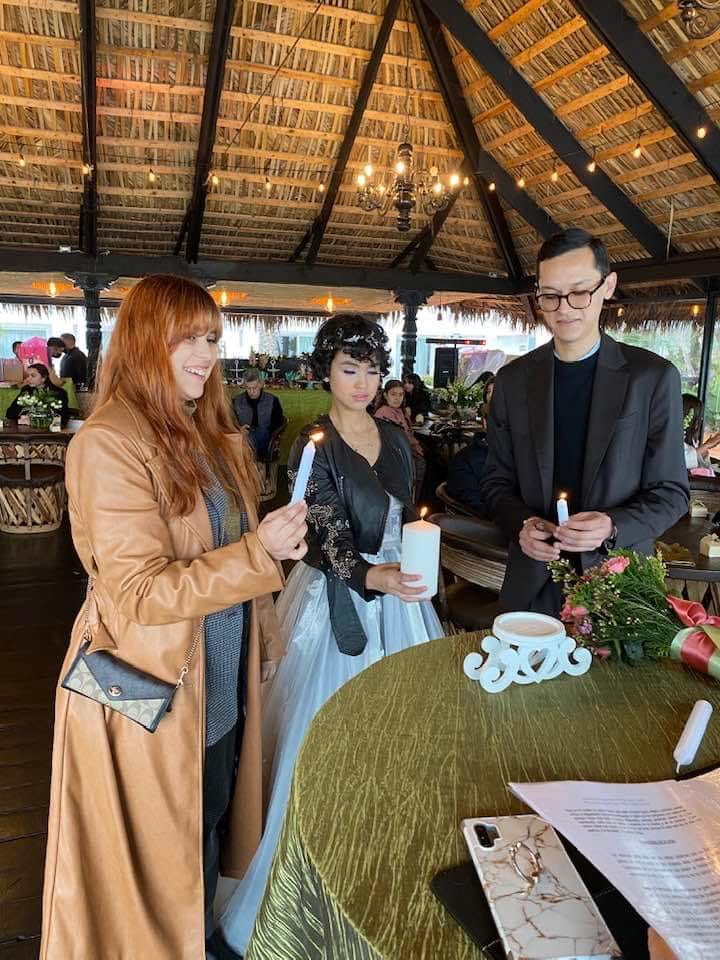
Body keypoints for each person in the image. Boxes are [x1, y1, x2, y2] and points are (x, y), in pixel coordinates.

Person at [40, 275, 309, 960]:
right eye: (186, 336)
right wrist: (260, 552)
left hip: (216, 679)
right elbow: (139, 594)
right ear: (142, 341)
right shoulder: (108, 442)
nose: (205, 353)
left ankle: (198, 933)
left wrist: (268, 627)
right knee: (158, 841)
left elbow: (232, 549)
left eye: (213, 339)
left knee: (210, 813)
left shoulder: (209, 433)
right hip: (145, 683)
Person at [221, 314, 442, 954]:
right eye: (350, 369)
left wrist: (413, 565)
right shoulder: (312, 443)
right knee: (315, 729)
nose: (363, 382)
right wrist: (371, 575)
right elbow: (316, 536)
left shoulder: (397, 439)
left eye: (373, 371)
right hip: (338, 595)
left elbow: (406, 516)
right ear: (325, 373)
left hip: (399, 596)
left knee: (403, 732)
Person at [481, 228, 689, 615]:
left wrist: (612, 525)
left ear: (607, 286)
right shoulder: (513, 381)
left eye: (579, 292)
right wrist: (522, 524)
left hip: (622, 584)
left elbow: (672, 493)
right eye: (550, 295)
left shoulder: (652, 377)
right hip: (534, 582)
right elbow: (496, 482)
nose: (564, 308)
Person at [374, 378, 427, 501]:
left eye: (401, 394)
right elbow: (399, 438)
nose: (397, 398)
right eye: (393, 394)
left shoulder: (400, 411)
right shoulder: (383, 413)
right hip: (394, 457)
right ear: (385, 395)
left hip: (405, 452)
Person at [232, 367, 284, 458]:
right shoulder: (237, 401)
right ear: (244, 386)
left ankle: (247, 461)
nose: (252, 391)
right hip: (243, 435)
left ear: (260, 384)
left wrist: (267, 430)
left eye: (255, 388)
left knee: (259, 433)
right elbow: (230, 421)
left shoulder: (272, 400)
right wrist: (238, 429)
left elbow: (278, 422)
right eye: (248, 388)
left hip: (265, 437)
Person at [5, 362, 70, 426]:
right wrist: (23, 417)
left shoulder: (59, 392)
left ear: (43, 378)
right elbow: (10, 413)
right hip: (28, 430)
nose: (28, 379)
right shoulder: (26, 390)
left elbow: (63, 417)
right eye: (27, 376)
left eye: (33, 376)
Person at [682, 393, 720, 475]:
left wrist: (704, 451)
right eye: (699, 417)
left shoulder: (692, 440)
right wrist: (707, 445)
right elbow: (682, 461)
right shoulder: (673, 438)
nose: (701, 420)